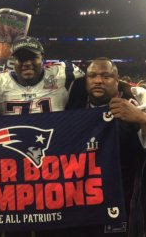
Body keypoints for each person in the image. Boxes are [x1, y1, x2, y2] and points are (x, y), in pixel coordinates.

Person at [64, 57, 146, 237]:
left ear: (117, 80)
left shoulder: (136, 106)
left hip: (120, 199)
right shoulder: (74, 106)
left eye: (106, 76)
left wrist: (142, 119)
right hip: (81, 199)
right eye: (92, 76)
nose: (98, 81)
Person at [0, 36, 84, 115]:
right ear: (13, 60)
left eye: (33, 57)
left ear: (42, 57)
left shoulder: (63, 73)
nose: (27, 63)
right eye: (21, 58)